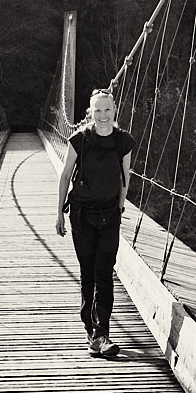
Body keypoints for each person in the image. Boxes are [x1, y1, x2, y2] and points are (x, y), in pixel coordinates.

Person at [55, 89, 134, 357]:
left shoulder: (123, 141)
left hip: (109, 215)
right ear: (91, 112)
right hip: (82, 216)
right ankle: (92, 331)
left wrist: (119, 209)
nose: (103, 115)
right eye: (97, 110)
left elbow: (125, 179)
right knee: (88, 272)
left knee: (104, 273)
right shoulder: (80, 140)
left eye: (107, 109)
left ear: (114, 110)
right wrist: (59, 213)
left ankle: (101, 334)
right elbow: (65, 176)